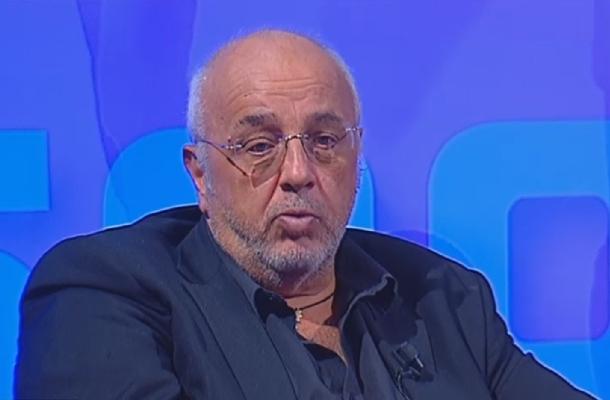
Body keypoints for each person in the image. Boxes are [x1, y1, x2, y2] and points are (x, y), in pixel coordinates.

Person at [15, 30, 595, 400]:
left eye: (324, 140)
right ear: (200, 174)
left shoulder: (445, 297)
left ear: (357, 156)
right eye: (259, 146)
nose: (298, 171)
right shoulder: (100, 291)